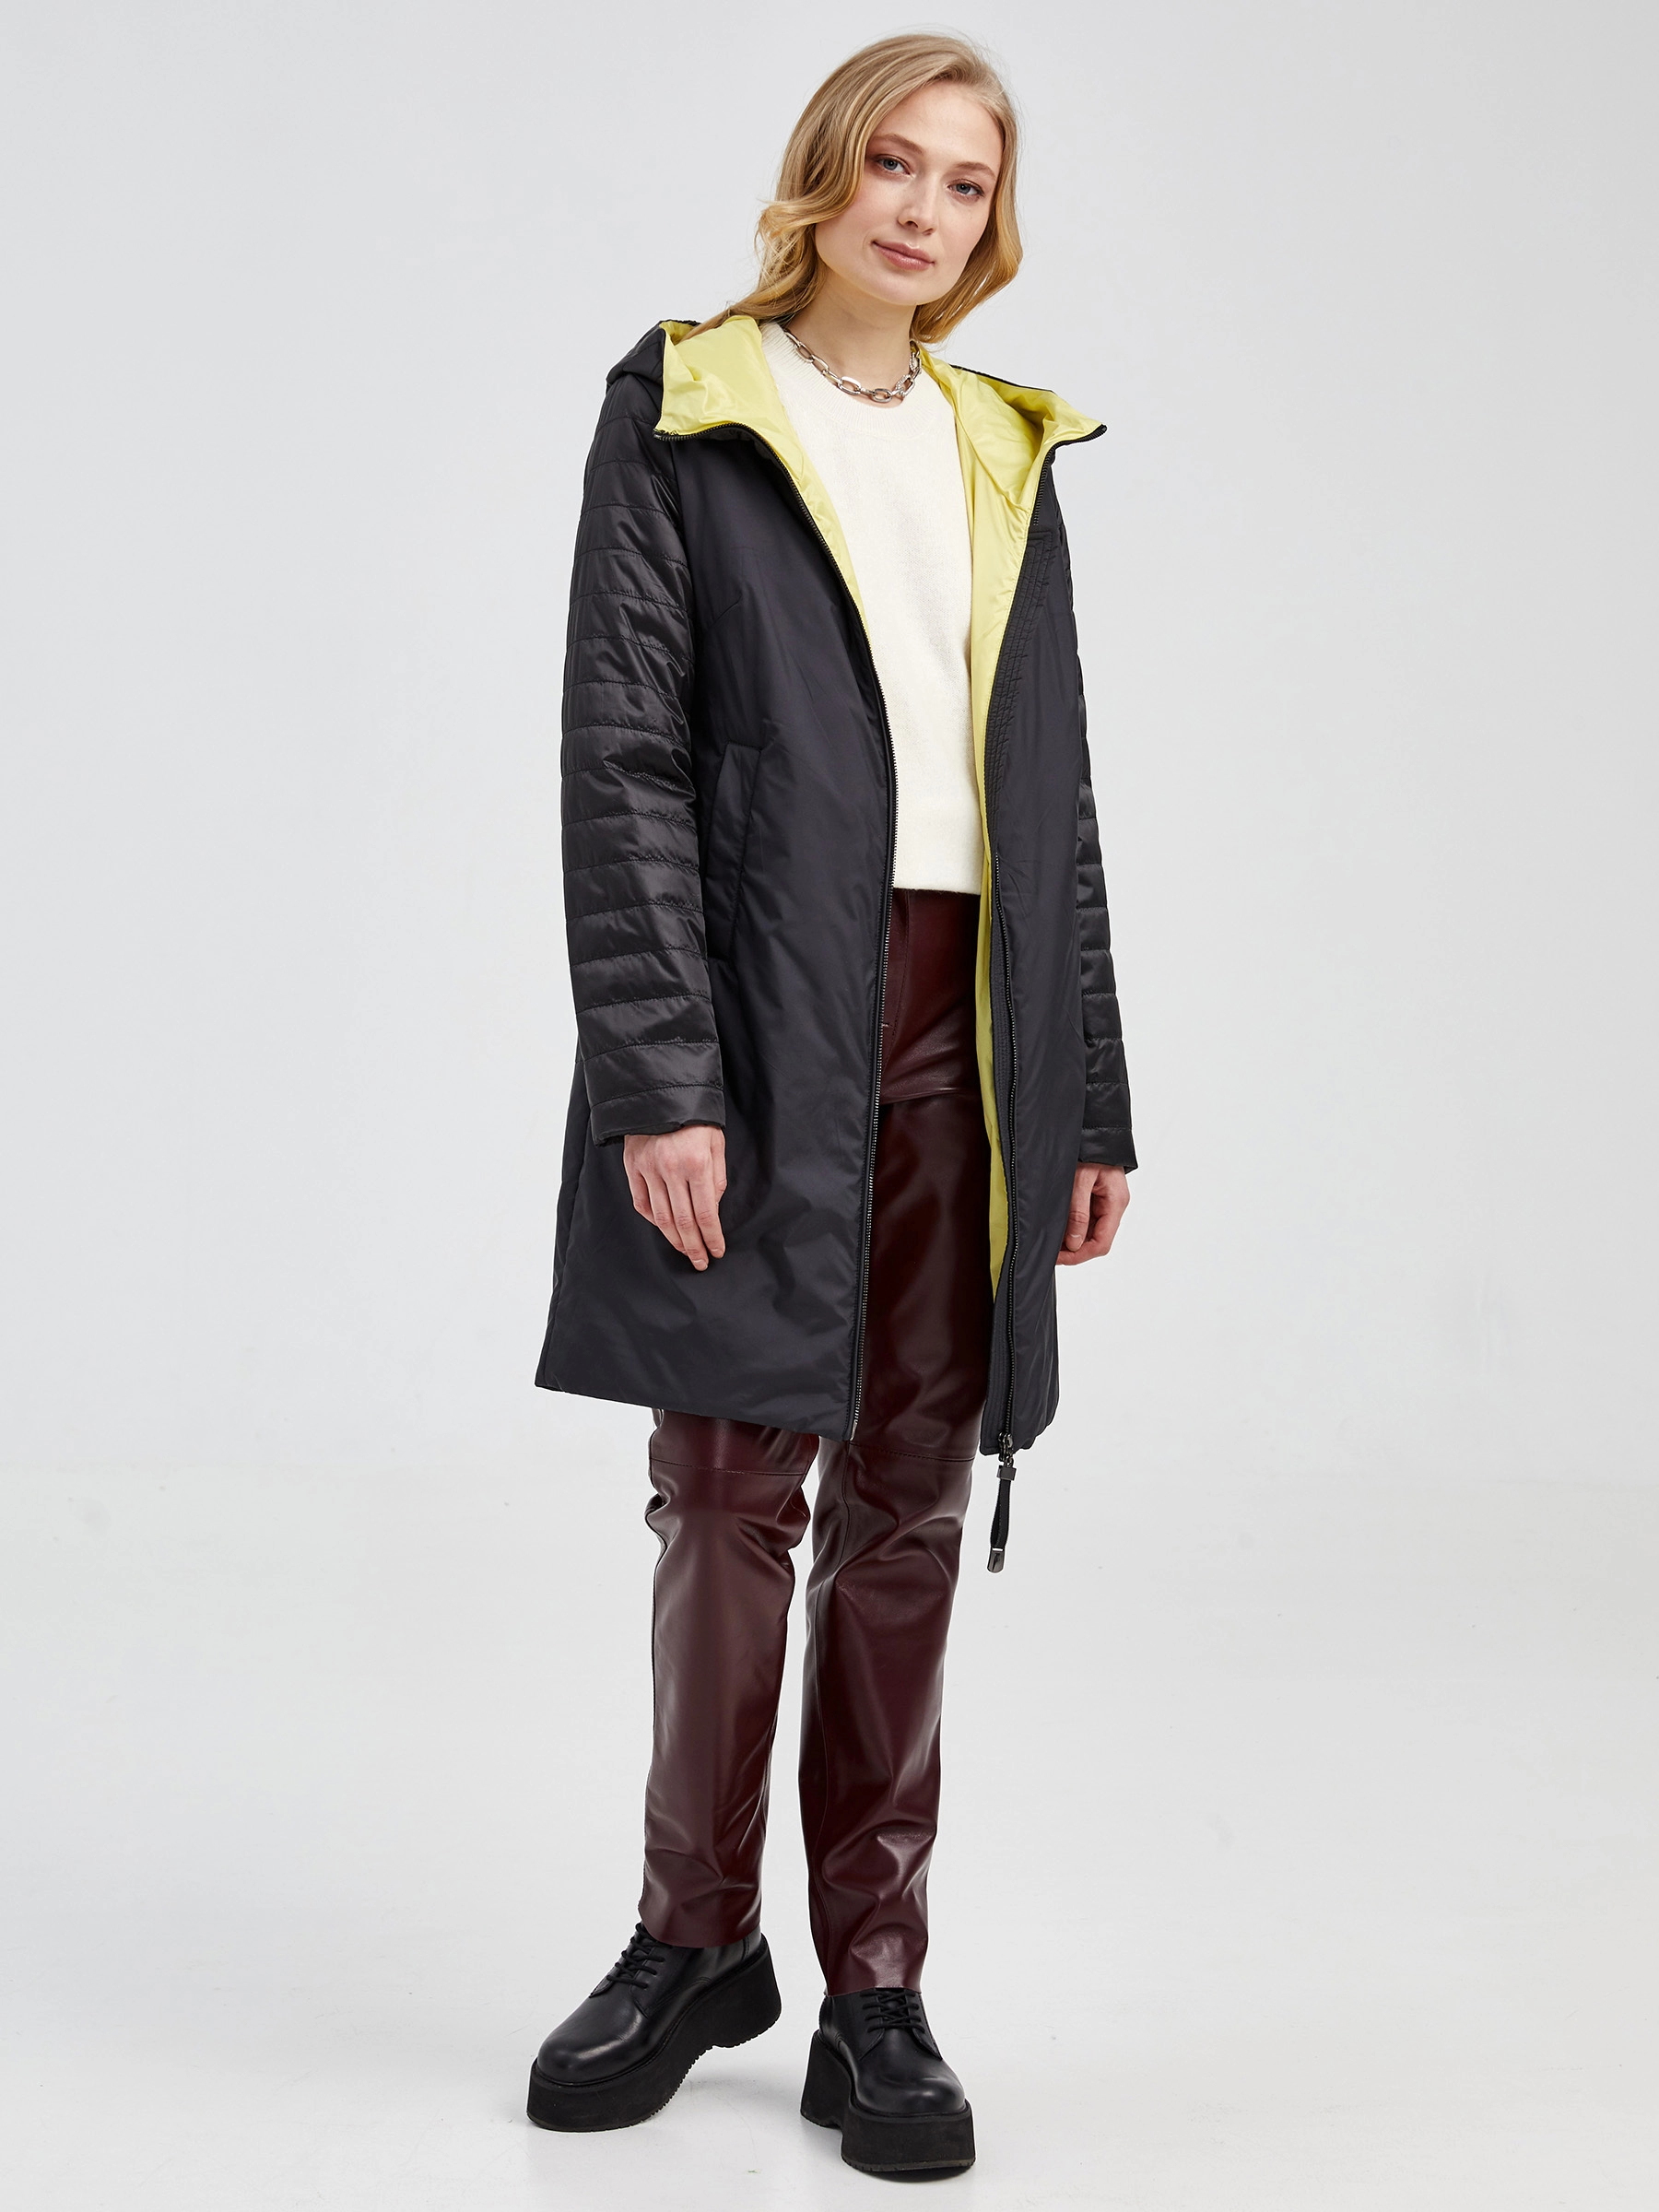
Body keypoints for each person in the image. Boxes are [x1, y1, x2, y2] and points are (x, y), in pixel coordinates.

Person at [525, 32, 1135, 2182]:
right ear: (824, 174)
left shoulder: (1002, 446)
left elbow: (1053, 807)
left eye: (965, 183)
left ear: (990, 225)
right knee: (725, 1489)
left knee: (908, 1501)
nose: (924, 210)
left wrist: (1089, 1093)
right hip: (767, 1017)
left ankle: (874, 1980)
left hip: (971, 1027)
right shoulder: (690, 408)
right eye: (895, 163)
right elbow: (623, 762)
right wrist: (662, 1074)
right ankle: (693, 1937)